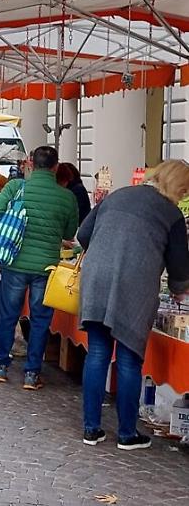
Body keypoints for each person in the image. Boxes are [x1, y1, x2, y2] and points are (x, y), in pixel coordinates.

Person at [77, 159, 189, 450]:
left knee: (98, 352)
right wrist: (179, 291)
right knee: (128, 358)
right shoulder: (171, 213)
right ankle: (126, 433)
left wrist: (107, 250)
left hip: (97, 277)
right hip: (134, 284)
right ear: (179, 186)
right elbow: (179, 267)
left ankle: (91, 429)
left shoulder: (119, 195)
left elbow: (83, 234)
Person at [0, 145, 79, 390]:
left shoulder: (17, 187)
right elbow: (70, 233)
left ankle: (0, 367)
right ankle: (31, 374)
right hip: (47, 267)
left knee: (8, 314)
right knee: (40, 320)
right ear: (56, 167)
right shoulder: (67, 197)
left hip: (15, 262)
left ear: (30, 163)